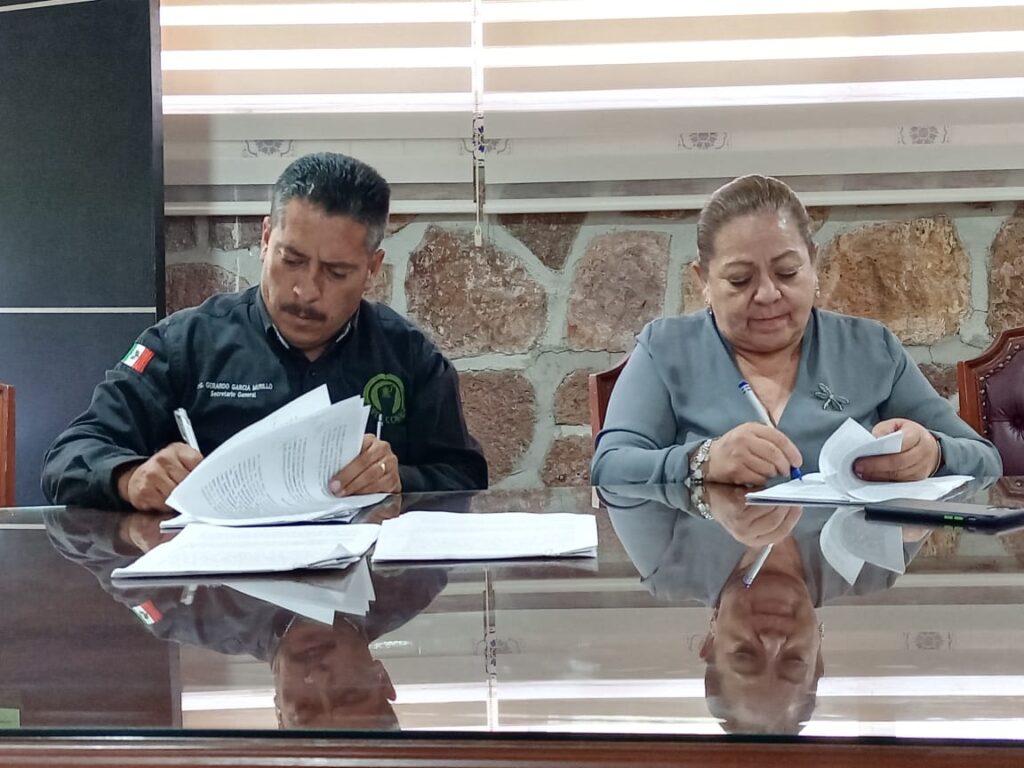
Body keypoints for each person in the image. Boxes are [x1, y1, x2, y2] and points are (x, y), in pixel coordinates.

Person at [41, 152, 487, 510]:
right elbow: (68, 457)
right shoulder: (184, 345)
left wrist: (399, 480)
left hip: (359, 585)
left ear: (372, 267)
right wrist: (129, 478)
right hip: (214, 587)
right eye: (291, 259)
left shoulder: (408, 357)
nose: (306, 291)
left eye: (336, 272)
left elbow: (466, 478)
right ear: (266, 237)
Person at [591, 174, 1002, 489]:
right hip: (715, 556)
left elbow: (986, 460)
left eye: (787, 272)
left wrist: (933, 453)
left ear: (813, 263)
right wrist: (702, 461)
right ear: (704, 280)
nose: (768, 294)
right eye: (739, 279)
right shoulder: (666, 349)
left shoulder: (870, 348)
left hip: (838, 553)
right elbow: (609, 467)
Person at [44, 506, 448, 730]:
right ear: (382, 678)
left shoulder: (186, 617)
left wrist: (131, 529)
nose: (317, 678)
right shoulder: (416, 579)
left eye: (304, 706)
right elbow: (451, 481)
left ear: (278, 707)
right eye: (348, 695)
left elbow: (63, 526)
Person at [600, 483, 931, 733]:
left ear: (710, 642)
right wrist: (929, 455)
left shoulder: (667, 559)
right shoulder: (874, 564)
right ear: (817, 653)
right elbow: (958, 469)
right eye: (793, 661)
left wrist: (700, 462)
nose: (773, 642)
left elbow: (614, 476)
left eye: (745, 656)